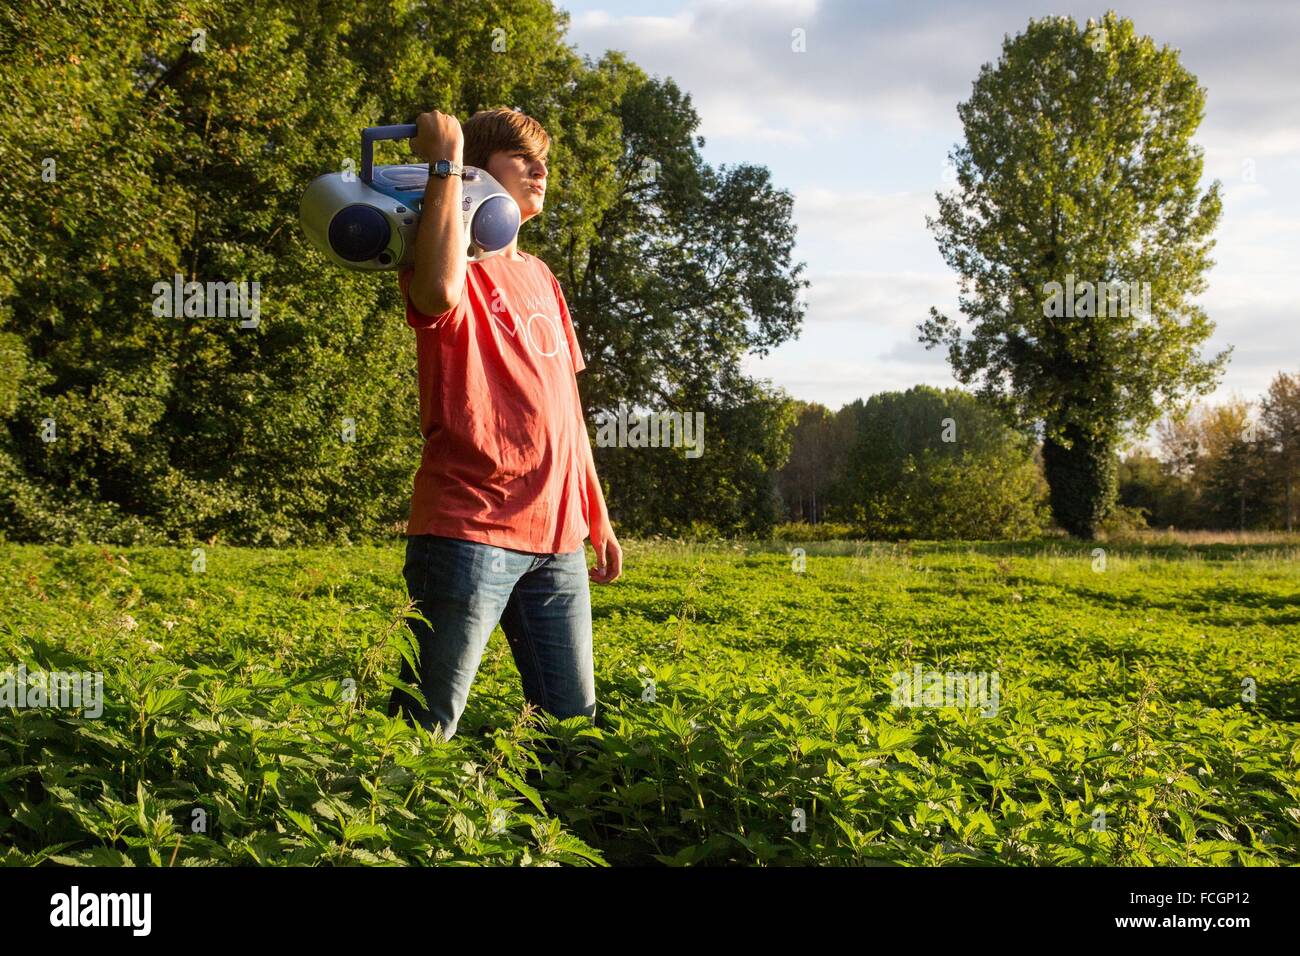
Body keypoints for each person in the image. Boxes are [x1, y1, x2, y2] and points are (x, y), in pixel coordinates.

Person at [385, 106, 622, 742]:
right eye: (522, 157)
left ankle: (547, 840)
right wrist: (445, 164)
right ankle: (382, 839)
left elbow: (566, 407)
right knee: (424, 724)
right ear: (477, 171)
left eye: (543, 158)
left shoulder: (542, 276)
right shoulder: (448, 261)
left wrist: (594, 511)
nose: (541, 169)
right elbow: (437, 294)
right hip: (468, 527)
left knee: (571, 727)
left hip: (556, 540)